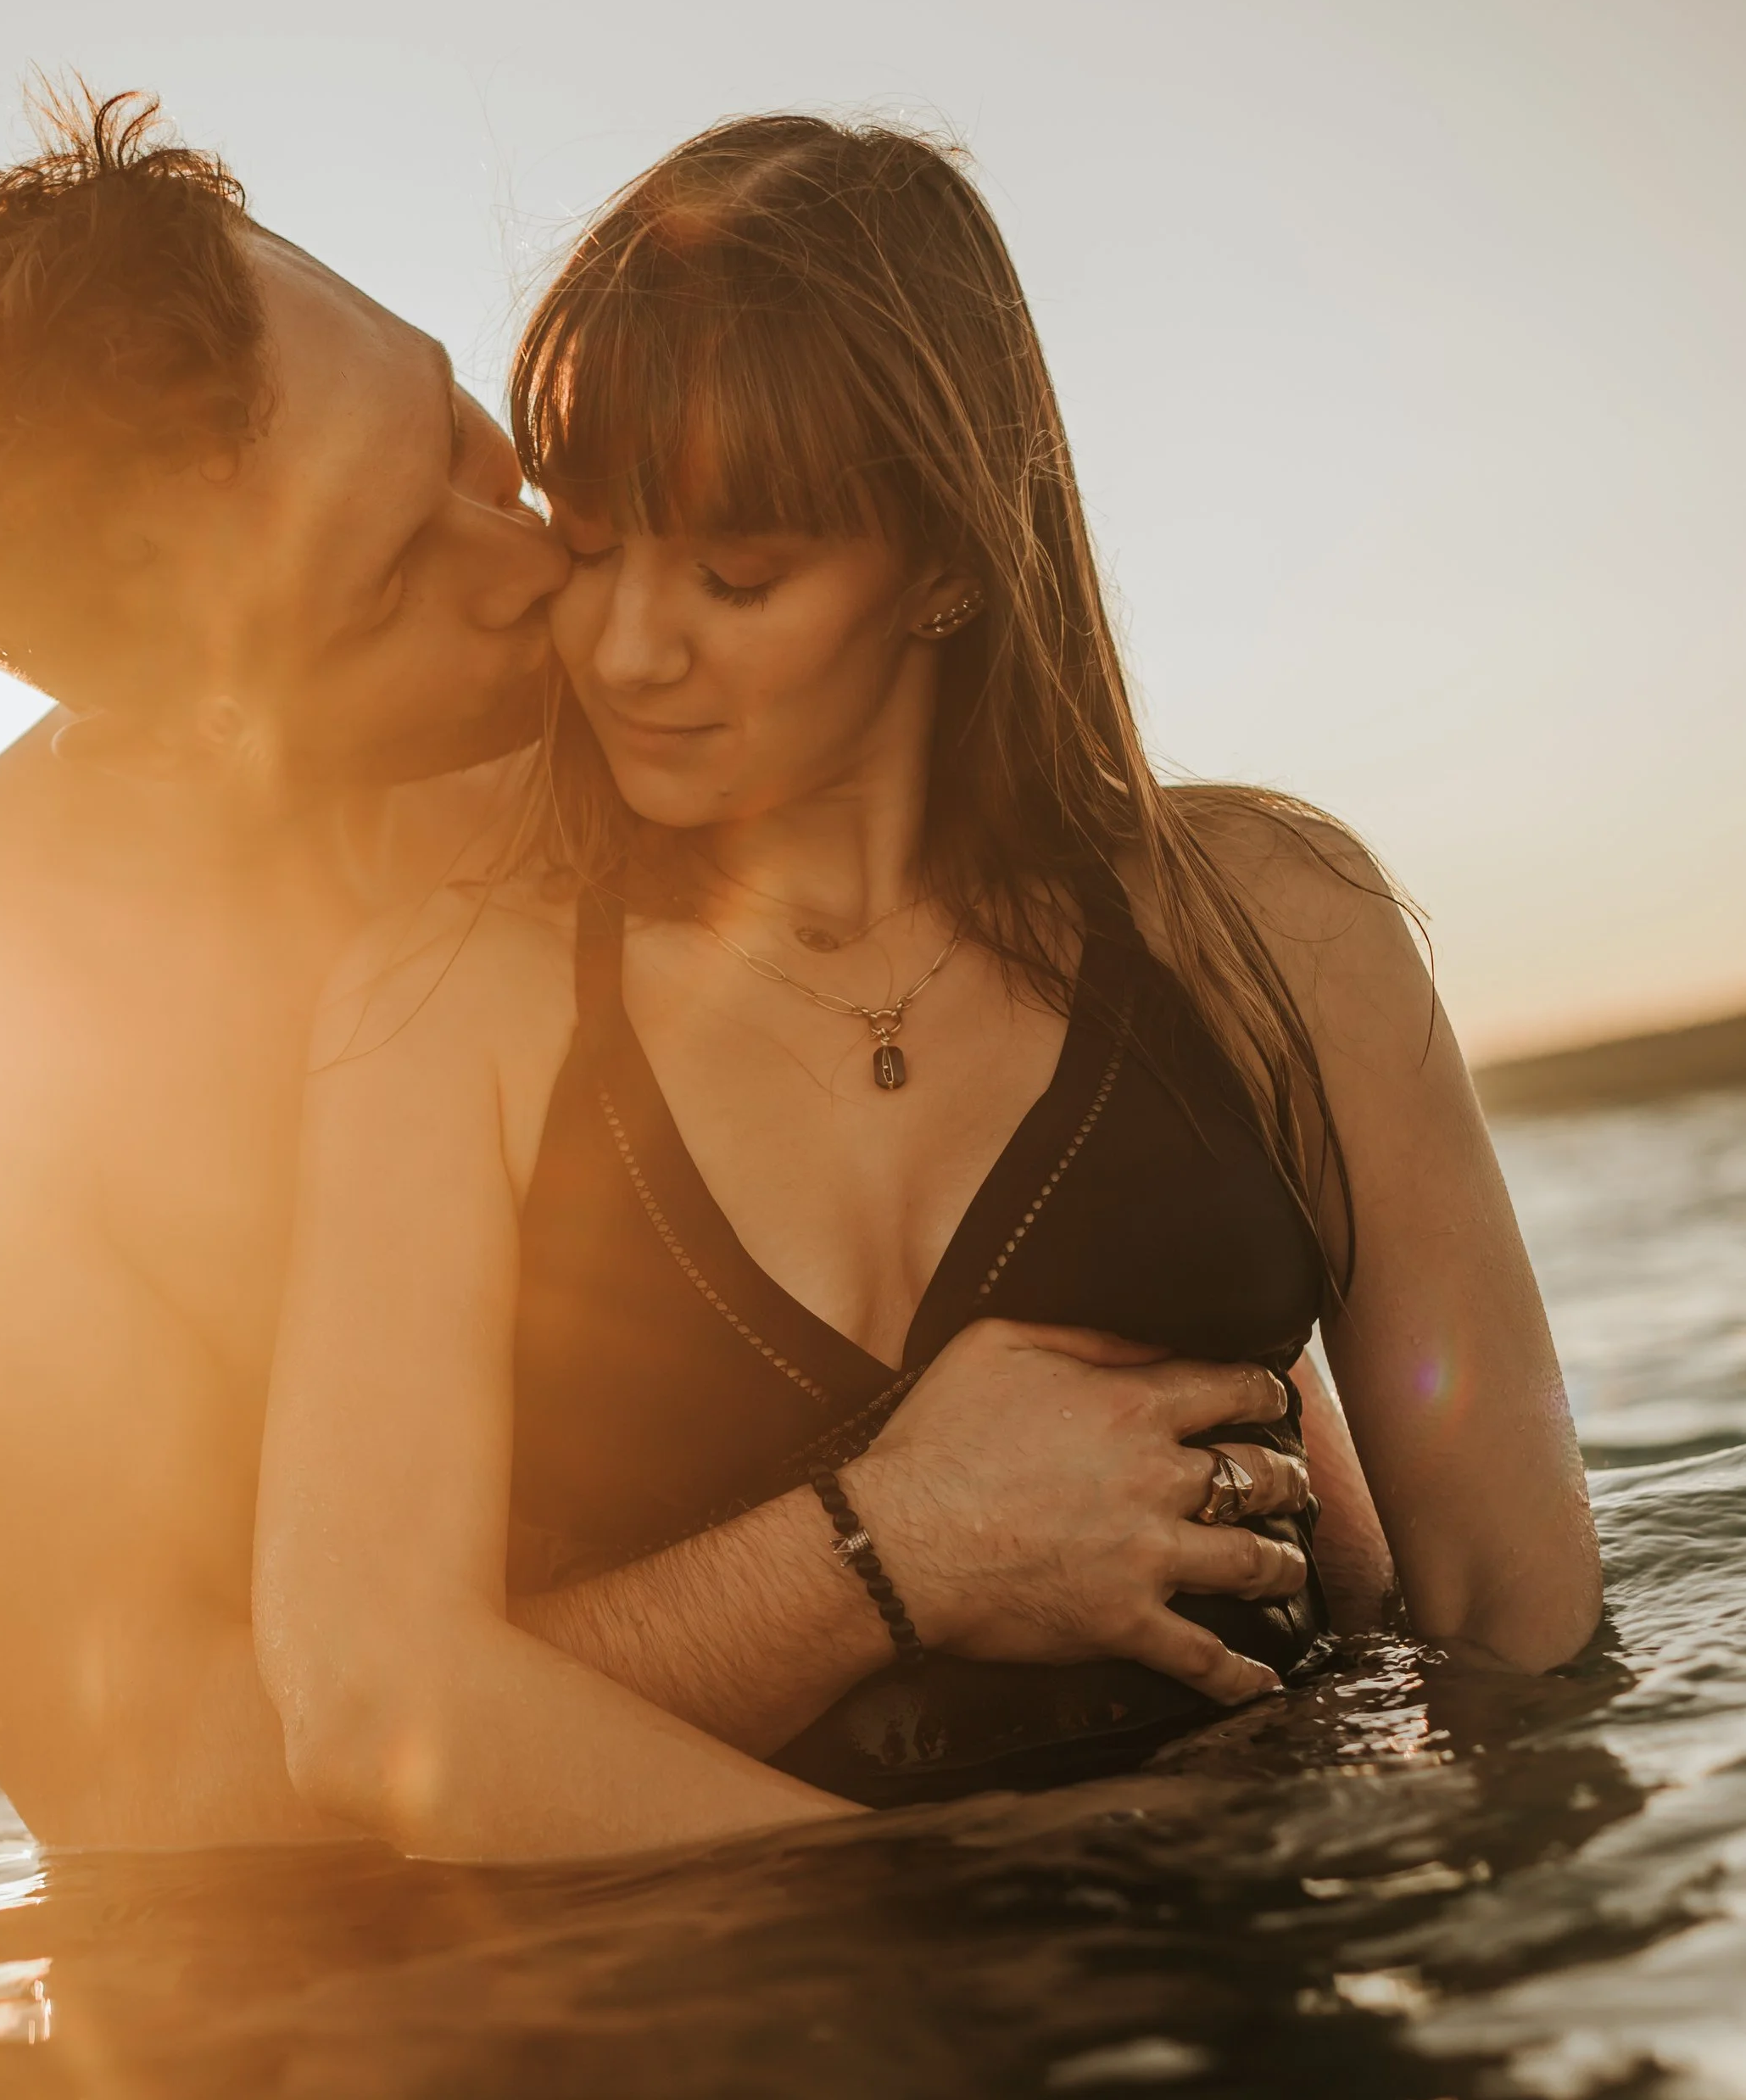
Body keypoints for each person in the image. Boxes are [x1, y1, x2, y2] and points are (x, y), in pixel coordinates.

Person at [0, 93, 1343, 1853]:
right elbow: (170, 1802)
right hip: (524, 1979)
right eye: (387, 582)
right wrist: (890, 1553)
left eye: (450, 433)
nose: (534, 565)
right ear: (192, 724)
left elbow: (1151, 1264)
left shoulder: (661, 724)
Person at [254, 116, 1601, 1862]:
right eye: (587, 544)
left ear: (950, 563)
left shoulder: (1278, 926)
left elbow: (1516, 1618)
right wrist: (903, 1580)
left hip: (1265, 1956)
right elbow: (371, 1708)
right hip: (751, 2010)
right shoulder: (450, 1010)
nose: (626, 645)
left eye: (736, 574)